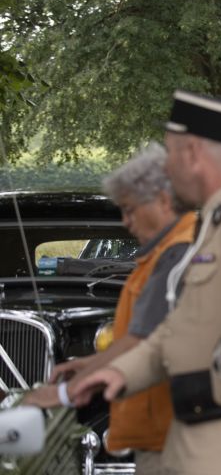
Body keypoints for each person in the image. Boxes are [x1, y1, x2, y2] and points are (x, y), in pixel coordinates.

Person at [73, 90, 221, 474]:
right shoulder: (220, 221)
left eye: (170, 156)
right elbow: (182, 328)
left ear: (192, 154)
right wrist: (118, 372)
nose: (166, 172)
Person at [23, 143, 196, 474]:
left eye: (130, 209)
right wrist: (89, 362)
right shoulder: (165, 254)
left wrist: (62, 394)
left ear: (162, 199)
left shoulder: (178, 256)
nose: (126, 222)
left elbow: (141, 344)